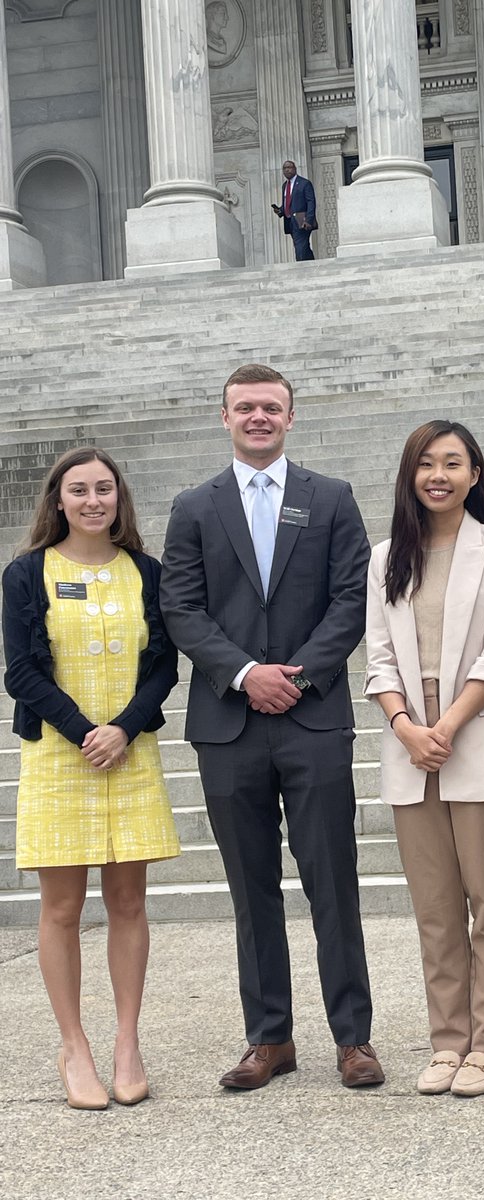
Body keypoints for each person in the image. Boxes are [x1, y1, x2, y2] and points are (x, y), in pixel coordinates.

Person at [159, 363, 383, 1092]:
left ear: (292, 416)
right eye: (245, 407)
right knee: (250, 890)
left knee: (332, 882)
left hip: (313, 718)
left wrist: (297, 674)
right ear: (224, 417)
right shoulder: (194, 506)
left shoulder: (332, 499)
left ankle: (353, 1039)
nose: (259, 417)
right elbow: (181, 607)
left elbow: (351, 600)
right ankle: (269, 1038)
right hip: (228, 724)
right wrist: (245, 673)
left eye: (271, 408)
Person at [1, 448, 179, 1110]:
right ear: (57, 500)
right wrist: (84, 732)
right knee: (62, 908)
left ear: (119, 499)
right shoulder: (25, 574)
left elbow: (164, 665)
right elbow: (20, 670)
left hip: (128, 753)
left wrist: (124, 728)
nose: (93, 499)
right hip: (59, 755)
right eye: (79, 490)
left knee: (129, 901)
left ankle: (126, 1042)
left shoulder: (145, 572)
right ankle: (74, 1046)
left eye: (104, 488)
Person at [365, 420, 484, 1097]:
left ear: (475, 474)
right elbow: (376, 657)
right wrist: (407, 727)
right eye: (426, 464)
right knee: (434, 907)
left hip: (479, 728)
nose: (439, 474)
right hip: (411, 741)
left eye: (453, 463)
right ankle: (446, 1041)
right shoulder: (385, 557)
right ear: (410, 477)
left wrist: (448, 725)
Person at [271, 160, 317, 262]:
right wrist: (280, 211)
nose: (287, 170)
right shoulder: (285, 185)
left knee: (300, 247)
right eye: (284, 168)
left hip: (302, 220)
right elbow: (288, 203)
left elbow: (311, 202)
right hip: (290, 222)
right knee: (301, 245)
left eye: (289, 167)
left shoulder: (304, 183)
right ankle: (312, 264)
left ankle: (301, 268)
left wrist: (309, 220)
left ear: (295, 169)